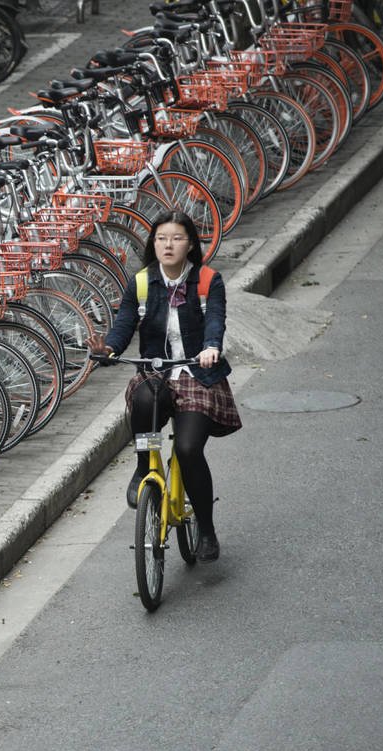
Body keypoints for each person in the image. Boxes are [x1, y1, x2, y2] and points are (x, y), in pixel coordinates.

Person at [86, 211, 242, 562]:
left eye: (176, 238)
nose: (168, 245)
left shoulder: (207, 280)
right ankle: (144, 467)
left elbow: (216, 317)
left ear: (190, 244)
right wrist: (108, 348)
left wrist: (211, 346)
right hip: (156, 371)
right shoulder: (141, 282)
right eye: (161, 238)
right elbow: (124, 324)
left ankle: (206, 530)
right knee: (142, 400)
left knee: (187, 450)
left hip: (197, 374)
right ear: (152, 243)